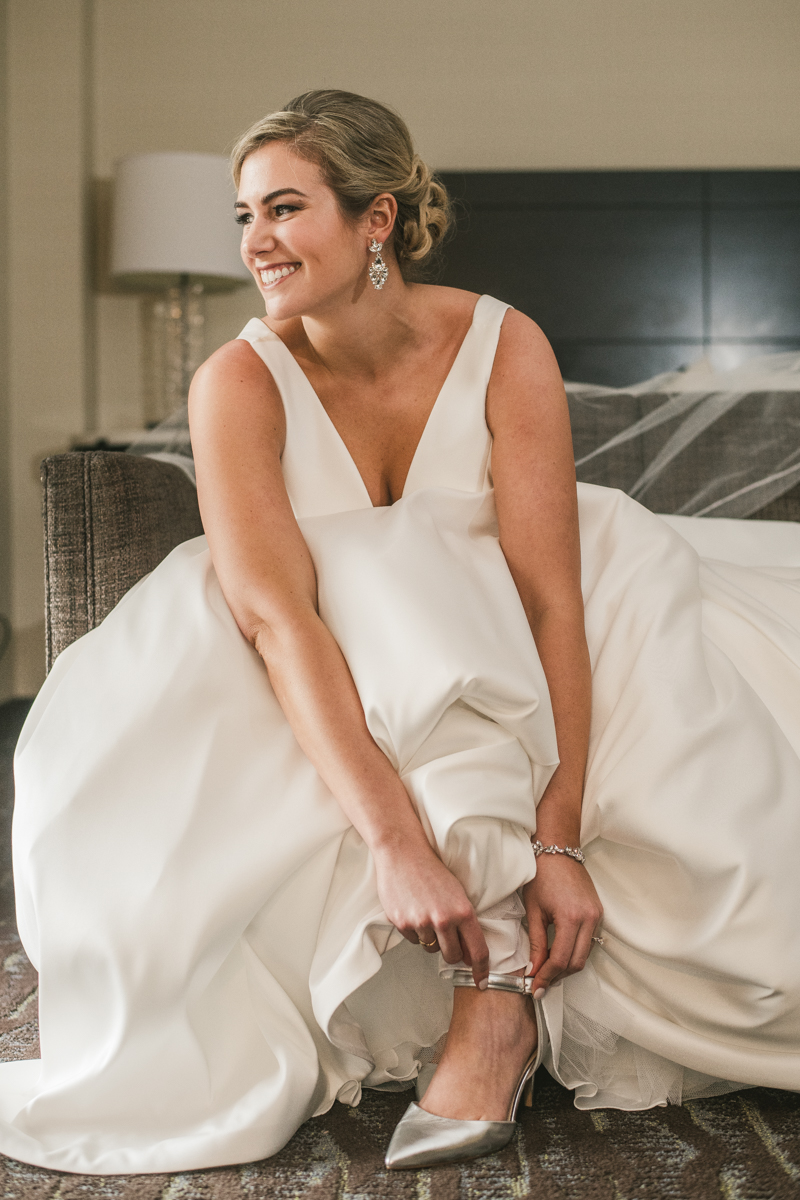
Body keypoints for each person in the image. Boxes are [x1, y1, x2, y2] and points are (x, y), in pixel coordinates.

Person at [3, 90, 800, 1176]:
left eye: (284, 208)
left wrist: (558, 836)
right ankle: (492, 984)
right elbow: (277, 615)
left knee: (458, 585)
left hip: (519, 635)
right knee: (335, 611)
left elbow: (548, 598)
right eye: (243, 216)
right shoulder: (237, 380)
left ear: (375, 218)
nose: (256, 243)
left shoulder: (501, 342)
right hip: (325, 653)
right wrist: (391, 839)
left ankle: (498, 992)